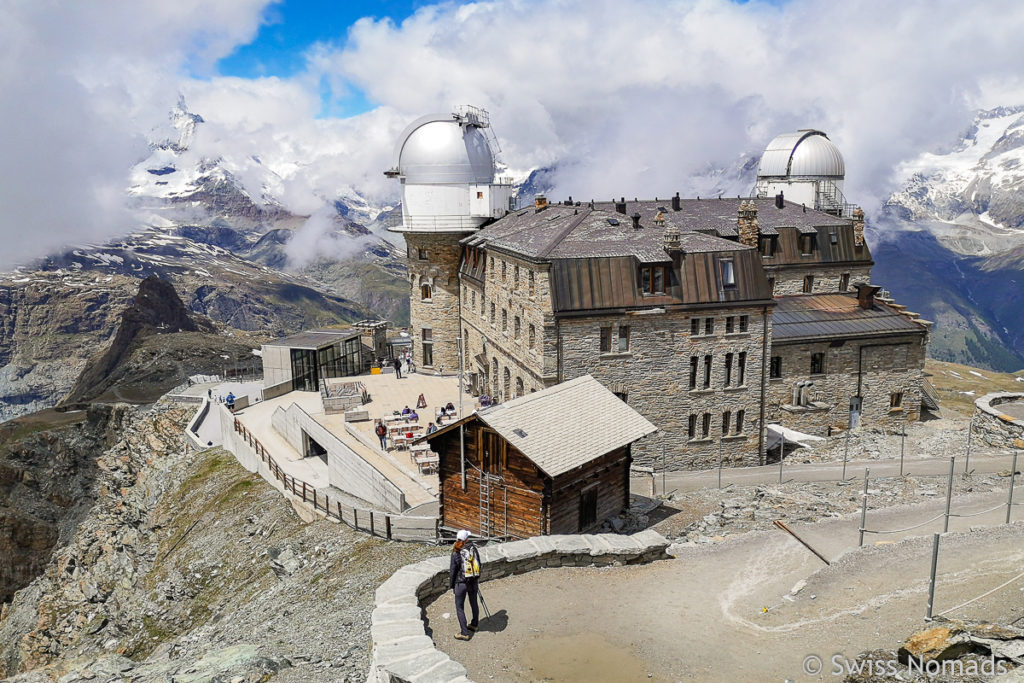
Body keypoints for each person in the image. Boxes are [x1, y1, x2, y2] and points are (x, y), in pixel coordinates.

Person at [449, 529, 481, 640]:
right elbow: (479, 564)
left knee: (459, 607)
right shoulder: (473, 549)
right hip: (472, 582)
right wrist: (476, 579)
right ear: (467, 539)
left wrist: (452, 585)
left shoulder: (456, 552)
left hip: (461, 583)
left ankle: (464, 632)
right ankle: (474, 624)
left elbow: (453, 571)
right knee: (473, 603)